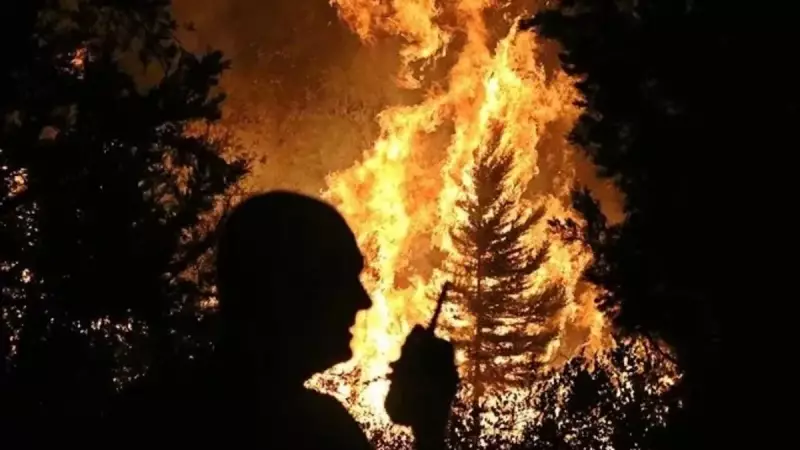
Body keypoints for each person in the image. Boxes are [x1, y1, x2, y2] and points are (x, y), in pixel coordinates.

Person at [212, 190, 459, 449]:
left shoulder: (186, 406)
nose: (363, 301)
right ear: (288, 287)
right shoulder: (313, 429)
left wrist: (427, 424)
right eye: (341, 277)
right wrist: (430, 429)